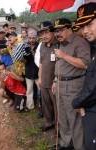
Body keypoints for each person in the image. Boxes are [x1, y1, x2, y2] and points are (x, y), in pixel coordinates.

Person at [52, 18, 91, 150]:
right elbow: (59, 65)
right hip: (60, 85)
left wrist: (63, 55)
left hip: (73, 86)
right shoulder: (60, 44)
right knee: (63, 118)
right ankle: (66, 144)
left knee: (75, 120)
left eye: (61, 30)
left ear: (70, 29)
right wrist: (55, 80)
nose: (58, 34)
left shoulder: (80, 42)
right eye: (56, 31)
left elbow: (85, 64)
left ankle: (79, 147)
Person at [72, 2, 96, 150]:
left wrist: (77, 102)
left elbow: (93, 88)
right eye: (82, 26)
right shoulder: (93, 48)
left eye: (90, 24)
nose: (85, 31)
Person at [38, 21, 57, 131]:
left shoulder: (58, 45)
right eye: (42, 33)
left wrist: (55, 80)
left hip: (54, 81)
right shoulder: (42, 46)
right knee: (46, 103)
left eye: (46, 32)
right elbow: (41, 63)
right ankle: (49, 122)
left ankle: (58, 127)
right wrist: (40, 78)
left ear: (53, 32)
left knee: (56, 105)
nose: (44, 36)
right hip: (44, 80)